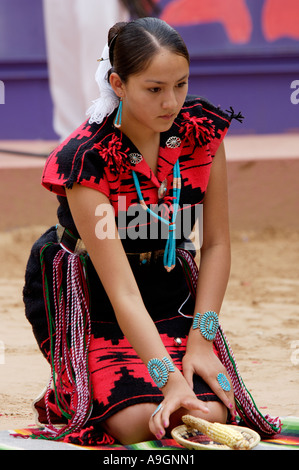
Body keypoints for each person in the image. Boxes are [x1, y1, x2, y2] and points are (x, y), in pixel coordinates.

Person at [23, 17, 280, 445]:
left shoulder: (201, 131)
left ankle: (161, 366)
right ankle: (76, 381)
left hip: (167, 284)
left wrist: (202, 338)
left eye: (180, 84)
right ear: (118, 84)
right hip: (91, 294)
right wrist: (167, 378)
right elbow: (121, 291)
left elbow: (215, 244)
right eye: (154, 89)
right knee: (142, 421)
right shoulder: (87, 159)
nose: (172, 102)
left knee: (213, 411)